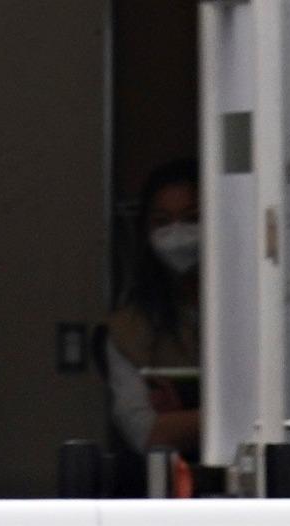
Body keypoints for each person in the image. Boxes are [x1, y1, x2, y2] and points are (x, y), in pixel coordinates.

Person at [104, 158, 202, 470]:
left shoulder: (251, 313)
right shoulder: (126, 331)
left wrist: (180, 420)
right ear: (145, 230)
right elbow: (145, 433)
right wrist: (217, 417)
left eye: (192, 219)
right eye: (162, 222)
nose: (177, 233)